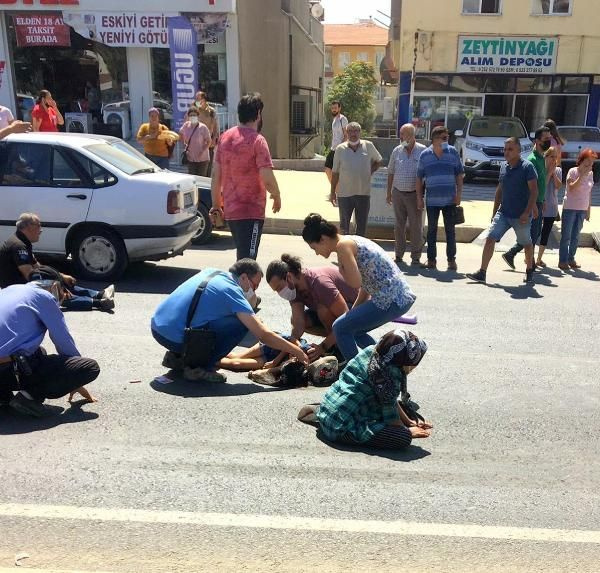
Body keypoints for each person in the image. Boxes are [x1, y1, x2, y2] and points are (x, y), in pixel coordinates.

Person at [151, 259, 309, 383]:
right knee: (241, 322)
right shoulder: (231, 290)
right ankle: (198, 367)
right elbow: (262, 334)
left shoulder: (213, 272)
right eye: (254, 286)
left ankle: (178, 357)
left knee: (215, 317)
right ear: (244, 278)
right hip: (174, 337)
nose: (253, 291)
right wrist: (297, 351)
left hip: (158, 328)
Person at [302, 213, 416, 361]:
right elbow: (365, 286)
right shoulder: (349, 241)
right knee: (354, 329)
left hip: (392, 298)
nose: (316, 253)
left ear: (323, 239)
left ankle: (358, 374)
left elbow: (355, 282)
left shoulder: (343, 246)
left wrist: (342, 271)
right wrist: (352, 312)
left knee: (340, 327)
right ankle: (382, 365)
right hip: (398, 297)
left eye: (314, 248)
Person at [298, 330, 432, 450]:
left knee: (390, 405)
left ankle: (323, 413)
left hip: (336, 406)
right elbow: (391, 416)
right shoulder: (390, 374)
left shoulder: (372, 351)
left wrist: (409, 421)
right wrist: (407, 430)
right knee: (402, 438)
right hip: (341, 430)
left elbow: (390, 399)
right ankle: (333, 423)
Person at [0, 280, 100, 417]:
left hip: (6, 367)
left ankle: (3, 397)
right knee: (89, 367)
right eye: (62, 296)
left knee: (39, 352)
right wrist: (76, 379)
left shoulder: (9, 290)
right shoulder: (43, 297)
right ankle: (28, 398)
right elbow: (64, 342)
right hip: (7, 370)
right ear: (54, 287)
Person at [210, 93, 282, 261]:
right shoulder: (257, 140)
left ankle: (241, 287)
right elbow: (267, 177)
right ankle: (242, 288)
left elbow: (215, 175)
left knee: (242, 259)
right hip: (251, 211)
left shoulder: (225, 137)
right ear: (258, 114)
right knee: (248, 263)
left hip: (231, 210)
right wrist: (277, 196)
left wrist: (216, 206)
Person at [0, 213, 115, 311]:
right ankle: (99, 303)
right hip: (16, 289)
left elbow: (38, 267)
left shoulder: (23, 242)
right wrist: (52, 286)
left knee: (62, 282)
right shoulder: (18, 246)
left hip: (22, 283)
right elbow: (30, 276)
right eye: (39, 225)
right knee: (55, 292)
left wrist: (61, 276)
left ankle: (99, 294)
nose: (41, 230)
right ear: (28, 227)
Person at [466, 137, 538, 285]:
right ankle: (482, 272)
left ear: (519, 150)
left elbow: (534, 192)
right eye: (505, 149)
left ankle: (530, 270)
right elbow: (500, 190)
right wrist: (494, 213)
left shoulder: (527, 167)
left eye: (510, 149)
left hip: (521, 215)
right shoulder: (504, 167)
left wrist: (527, 212)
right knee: (490, 238)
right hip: (504, 213)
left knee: (526, 243)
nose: (506, 152)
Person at [266, 253, 359, 361]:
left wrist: (322, 347)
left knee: (322, 310)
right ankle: (333, 341)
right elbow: (298, 325)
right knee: (300, 320)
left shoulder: (319, 282)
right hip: (336, 316)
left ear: (289, 277)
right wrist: (286, 354)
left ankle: (339, 350)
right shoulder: (294, 289)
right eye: (276, 290)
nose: (280, 293)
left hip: (355, 312)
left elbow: (344, 319)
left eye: (279, 288)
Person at [502, 126, 551, 271]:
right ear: (537, 140)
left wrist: (544, 200)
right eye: (546, 139)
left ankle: (514, 255)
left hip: (539, 201)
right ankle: (524, 260)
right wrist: (535, 206)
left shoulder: (542, 158)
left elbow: (541, 183)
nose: (549, 141)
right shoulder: (532, 160)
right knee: (531, 234)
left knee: (533, 234)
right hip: (532, 203)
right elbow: (530, 188)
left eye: (550, 138)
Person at [417, 125, 464, 271]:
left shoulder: (452, 152)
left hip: (450, 199)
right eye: (444, 138)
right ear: (435, 139)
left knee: (450, 231)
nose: (447, 140)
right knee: (431, 230)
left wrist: (459, 195)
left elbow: (459, 175)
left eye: (447, 137)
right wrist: (419, 198)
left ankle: (451, 261)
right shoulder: (425, 155)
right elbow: (419, 178)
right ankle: (431, 260)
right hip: (432, 201)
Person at [329, 122, 382, 236]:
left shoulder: (368, 145)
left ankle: (359, 252)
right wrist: (332, 192)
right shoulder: (340, 149)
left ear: (360, 132)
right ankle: (344, 251)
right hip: (344, 195)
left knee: (361, 228)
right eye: (351, 131)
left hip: (363, 193)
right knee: (344, 228)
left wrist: (370, 171)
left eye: (356, 131)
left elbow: (378, 161)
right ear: (346, 133)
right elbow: (335, 172)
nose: (353, 133)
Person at [386, 123, 426, 265]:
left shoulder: (423, 151)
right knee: (399, 226)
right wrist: (388, 193)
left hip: (414, 195)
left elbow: (425, 174)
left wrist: (421, 196)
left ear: (413, 135)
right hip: (398, 193)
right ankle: (398, 255)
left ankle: (416, 257)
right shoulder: (397, 150)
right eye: (402, 134)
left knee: (416, 226)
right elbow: (390, 172)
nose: (403, 137)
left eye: (406, 134)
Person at [559, 148, 596, 271]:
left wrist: (588, 210)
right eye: (588, 162)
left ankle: (571, 259)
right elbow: (571, 188)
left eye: (592, 163)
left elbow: (589, 193)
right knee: (566, 236)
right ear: (581, 161)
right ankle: (562, 260)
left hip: (582, 209)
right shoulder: (573, 171)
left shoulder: (591, 174)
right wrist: (581, 176)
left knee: (576, 236)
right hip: (570, 208)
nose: (590, 165)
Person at [536, 146, 563, 268]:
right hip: (540, 204)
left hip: (552, 206)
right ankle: (529, 257)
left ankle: (539, 259)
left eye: (555, 157)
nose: (554, 159)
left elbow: (558, 186)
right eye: (551, 156)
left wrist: (553, 174)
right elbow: (542, 186)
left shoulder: (558, 171)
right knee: (535, 232)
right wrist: (548, 173)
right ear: (545, 157)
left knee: (546, 233)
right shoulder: (540, 169)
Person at [192, 91, 220, 175]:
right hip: (196, 144)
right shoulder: (194, 110)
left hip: (208, 143)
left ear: (204, 100)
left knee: (207, 168)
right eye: (196, 99)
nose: (196, 101)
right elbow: (189, 124)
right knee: (196, 169)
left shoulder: (211, 111)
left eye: (198, 99)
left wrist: (215, 139)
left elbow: (216, 127)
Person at [179, 106, 211, 176]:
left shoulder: (203, 127)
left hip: (202, 158)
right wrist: (184, 146)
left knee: (201, 179)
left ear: (198, 116)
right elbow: (180, 134)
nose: (192, 117)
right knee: (192, 178)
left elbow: (209, 141)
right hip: (191, 158)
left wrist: (202, 151)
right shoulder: (186, 125)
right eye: (191, 115)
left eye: (194, 115)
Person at [324, 100, 348, 183]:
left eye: (335, 108)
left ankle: (337, 190)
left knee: (336, 172)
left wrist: (341, 148)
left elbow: (346, 135)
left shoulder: (343, 119)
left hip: (339, 150)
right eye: (332, 108)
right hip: (333, 149)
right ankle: (334, 188)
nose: (334, 109)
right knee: (327, 168)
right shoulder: (334, 120)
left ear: (339, 108)